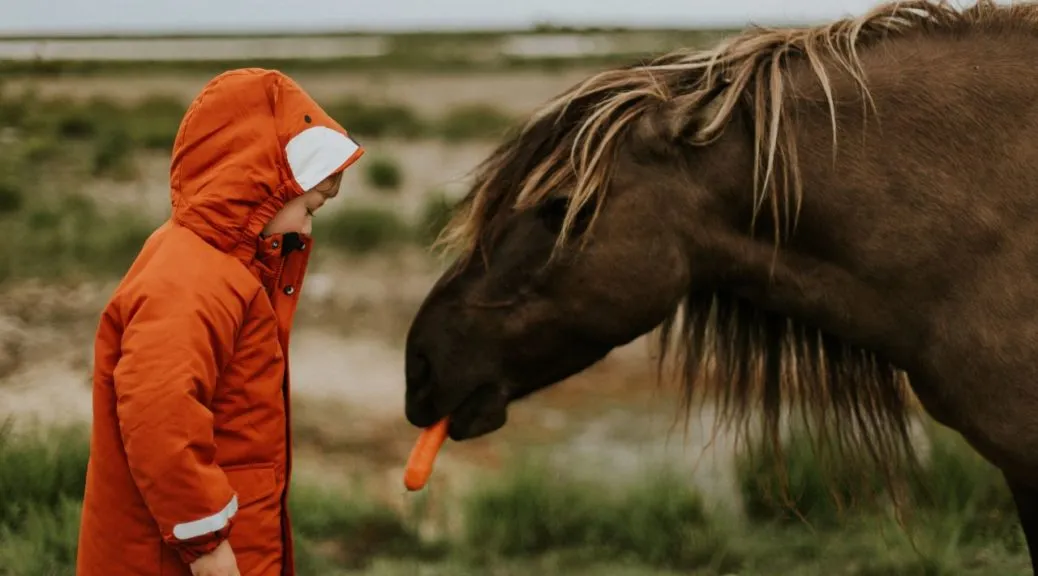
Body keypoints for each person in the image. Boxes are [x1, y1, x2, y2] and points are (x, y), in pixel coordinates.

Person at [76, 67, 365, 576]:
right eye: (308, 207)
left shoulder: (227, 271)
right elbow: (159, 414)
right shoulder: (189, 279)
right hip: (177, 556)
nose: (306, 227)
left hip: (230, 534)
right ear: (261, 186)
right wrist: (206, 542)